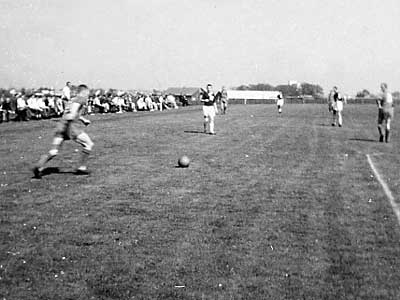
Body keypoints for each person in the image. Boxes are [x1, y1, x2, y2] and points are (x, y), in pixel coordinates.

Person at [33, 84, 94, 178]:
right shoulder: (81, 99)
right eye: (87, 93)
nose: (88, 95)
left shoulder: (72, 99)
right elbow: (73, 112)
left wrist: (83, 119)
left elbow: (71, 111)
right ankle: (81, 168)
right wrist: (72, 118)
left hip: (61, 126)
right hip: (71, 126)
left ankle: (40, 165)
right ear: (83, 92)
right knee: (88, 144)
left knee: (54, 151)